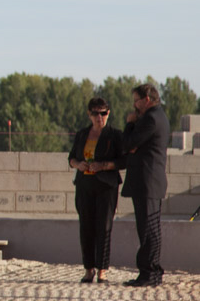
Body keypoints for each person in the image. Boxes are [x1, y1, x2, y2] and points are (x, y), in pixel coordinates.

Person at [101, 84, 170, 287]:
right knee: (152, 229)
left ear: (147, 99)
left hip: (146, 182)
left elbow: (127, 144)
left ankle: (148, 273)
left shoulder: (149, 119)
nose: (134, 106)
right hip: (151, 182)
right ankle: (153, 272)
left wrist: (130, 124)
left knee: (147, 230)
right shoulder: (160, 116)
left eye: (136, 101)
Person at [67, 97, 124, 284]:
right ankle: (88, 269)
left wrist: (104, 165)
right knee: (86, 227)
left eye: (103, 113)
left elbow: (122, 161)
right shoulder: (83, 134)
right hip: (85, 185)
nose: (100, 117)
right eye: (95, 113)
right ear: (89, 115)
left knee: (104, 227)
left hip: (106, 186)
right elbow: (71, 158)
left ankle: (102, 270)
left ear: (108, 113)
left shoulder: (115, 135)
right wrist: (79, 165)